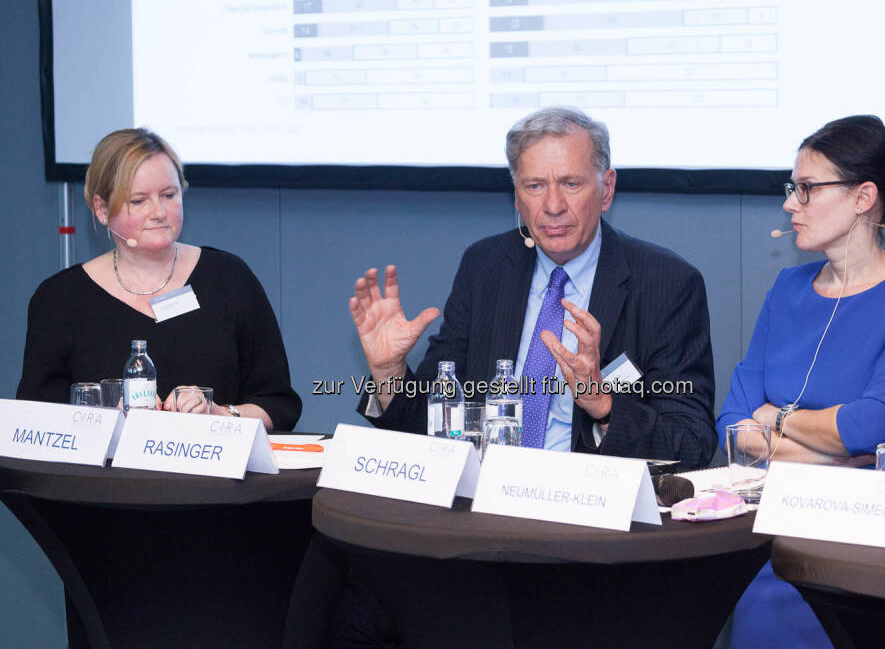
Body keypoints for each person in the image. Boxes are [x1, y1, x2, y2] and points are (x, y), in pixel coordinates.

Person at [349, 107, 716, 464]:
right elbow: (431, 427)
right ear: (516, 195)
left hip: (587, 507)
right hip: (484, 505)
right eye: (535, 186)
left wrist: (603, 406)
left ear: (606, 189)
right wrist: (389, 372)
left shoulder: (667, 284)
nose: (553, 205)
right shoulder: (486, 267)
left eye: (571, 184)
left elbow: (692, 441)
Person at [718, 115, 885, 647]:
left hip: (860, 535)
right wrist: (836, 459)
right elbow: (733, 426)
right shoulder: (787, 287)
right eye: (791, 189)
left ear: (863, 196)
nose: (789, 204)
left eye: (806, 189)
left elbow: (871, 426)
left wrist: (775, 418)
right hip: (770, 523)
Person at [16, 128, 301, 430]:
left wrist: (219, 414)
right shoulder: (60, 299)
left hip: (212, 474)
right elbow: (33, 423)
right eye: (138, 201)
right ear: (101, 208)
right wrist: (102, 421)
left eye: (169, 195)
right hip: (103, 478)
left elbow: (279, 406)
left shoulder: (229, 279)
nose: (159, 212)